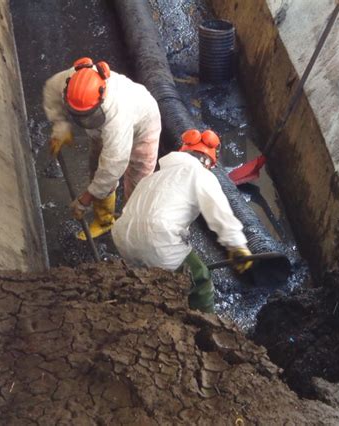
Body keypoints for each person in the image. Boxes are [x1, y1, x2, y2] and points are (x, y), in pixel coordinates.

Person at [111, 129, 253, 313]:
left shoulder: (153, 177)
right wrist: (237, 246)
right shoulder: (200, 174)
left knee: (146, 275)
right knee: (200, 278)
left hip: (123, 236)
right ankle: (206, 325)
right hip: (157, 238)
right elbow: (220, 213)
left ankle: (141, 306)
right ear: (208, 161)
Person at [43, 57, 161, 239]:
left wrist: (85, 199)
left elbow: (113, 166)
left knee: (139, 182)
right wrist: (60, 125)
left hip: (143, 127)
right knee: (97, 167)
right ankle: (105, 221)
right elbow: (51, 89)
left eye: (87, 116)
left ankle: (130, 227)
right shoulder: (70, 80)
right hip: (103, 129)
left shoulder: (117, 115)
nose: (83, 122)